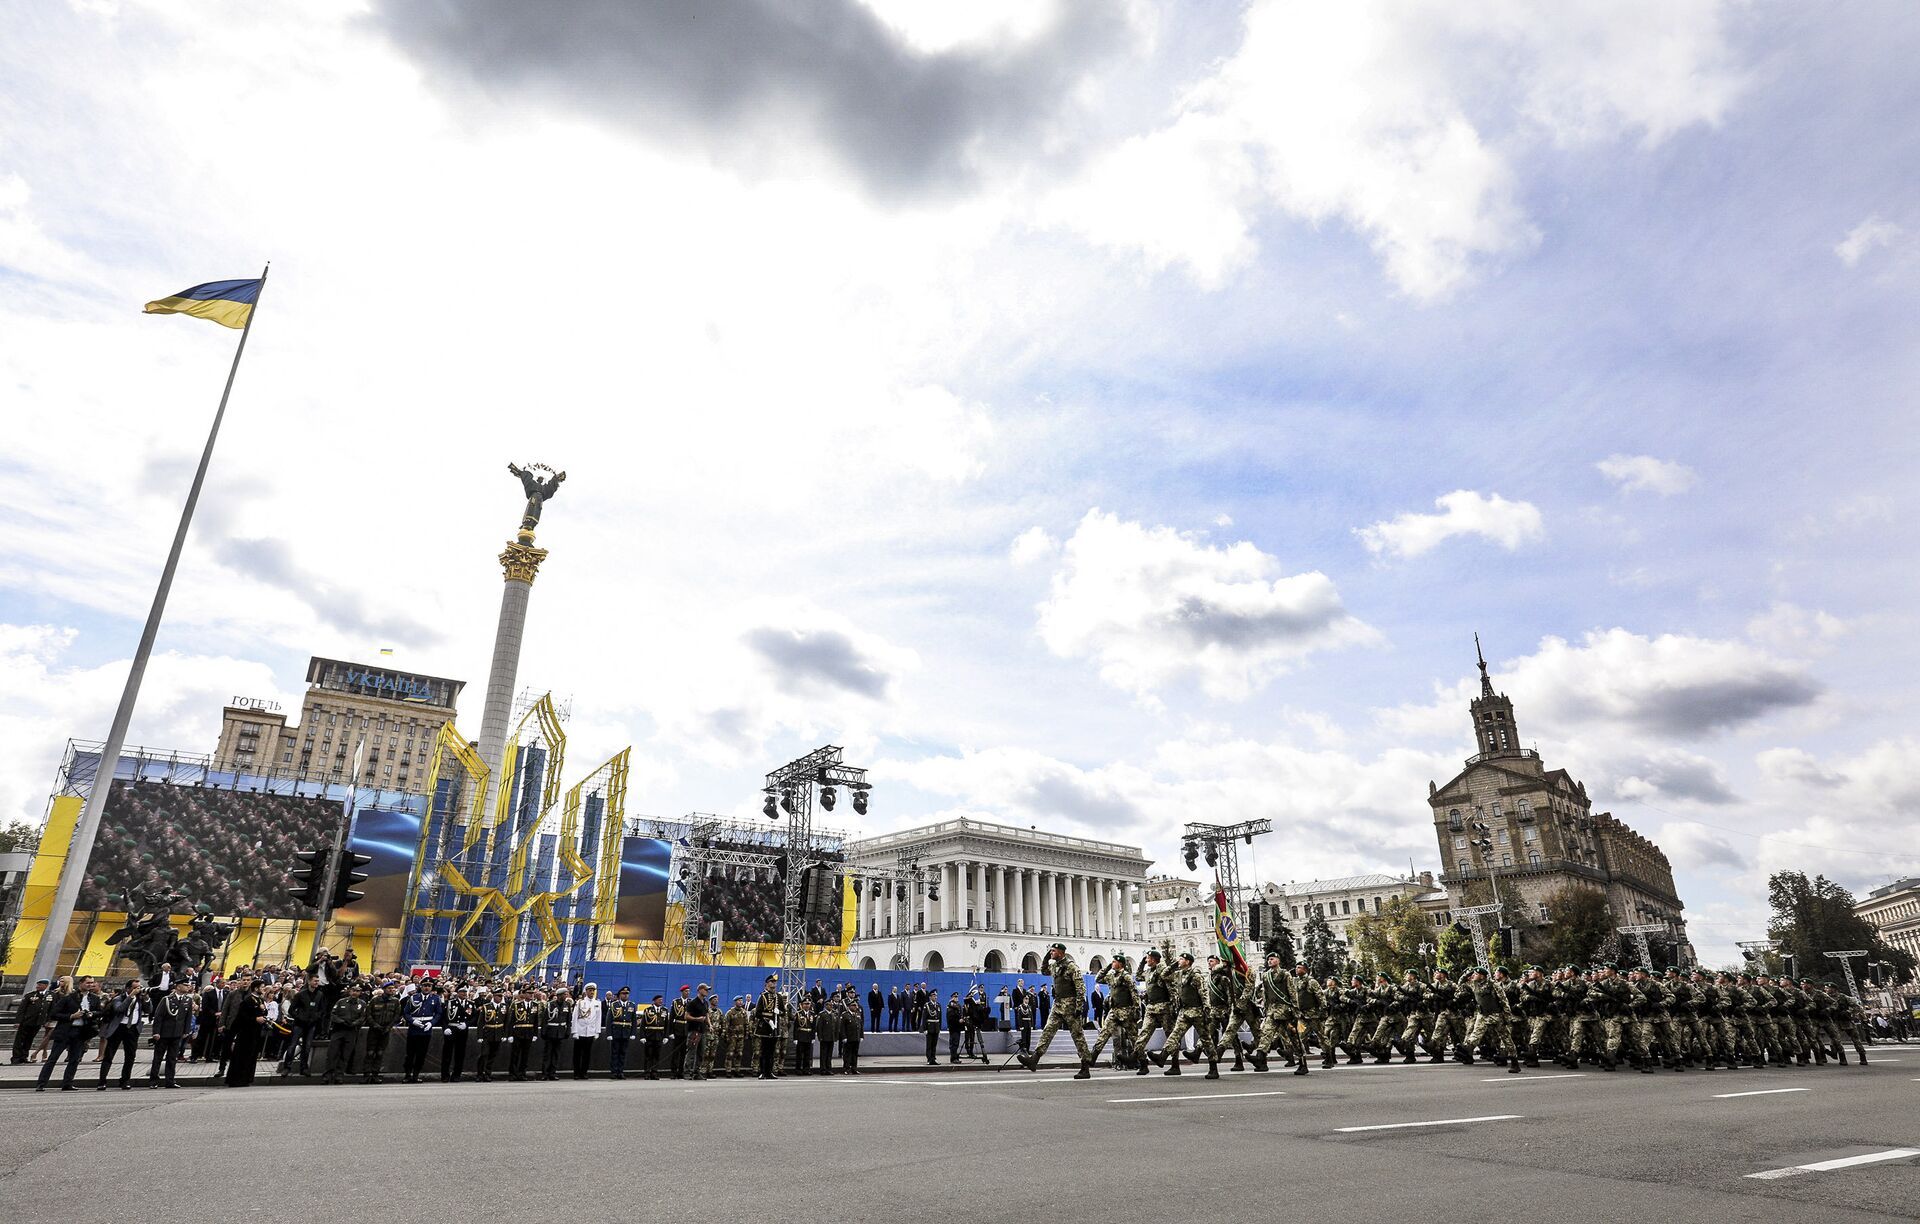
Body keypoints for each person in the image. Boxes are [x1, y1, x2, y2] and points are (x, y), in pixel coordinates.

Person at [1018, 944, 1095, 1079]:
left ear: (1060, 952)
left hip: (1070, 1005)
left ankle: (1085, 1067)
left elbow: (1081, 988)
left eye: (1053, 951)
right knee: (1048, 1030)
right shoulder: (1055, 966)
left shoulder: (1072, 967)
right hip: (1058, 1004)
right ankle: (1034, 1059)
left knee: (1077, 1036)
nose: (1051, 952)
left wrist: (1079, 1007)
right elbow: (1043, 971)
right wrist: (1047, 957)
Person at [37, 976, 102, 1092]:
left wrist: (91, 1014)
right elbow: (54, 1014)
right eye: (88, 983)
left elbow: (100, 1012)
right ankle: (41, 1083)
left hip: (81, 1032)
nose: (90, 985)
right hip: (66, 1031)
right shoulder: (69, 998)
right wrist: (71, 1016)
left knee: (74, 1059)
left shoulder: (95, 999)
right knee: (53, 1058)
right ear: (81, 983)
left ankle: (67, 1083)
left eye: (92, 983)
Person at [94, 980, 147, 1091]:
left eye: (139, 987)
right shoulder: (119, 998)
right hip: (118, 1028)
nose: (138, 990)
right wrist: (130, 997)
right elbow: (120, 1009)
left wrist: (146, 998)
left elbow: (149, 1009)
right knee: (109, 1055)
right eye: (135, 988)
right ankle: (102, 1081)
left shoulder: (140, 999)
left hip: (132, 1029)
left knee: (130, 1056)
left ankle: (125, 1080)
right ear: (128, 988)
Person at [148, 977, 196, 1088]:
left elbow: (188, 1017)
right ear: (178, 986)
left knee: (172, 1058)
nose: (188, 987)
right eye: (185, 985)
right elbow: (159, 1017)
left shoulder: (187, 1000)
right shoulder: (167, 999)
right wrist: (156, 1032)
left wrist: (186, 1031)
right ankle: (153, 1081)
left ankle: (170, 1080)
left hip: (177, 1033)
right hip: (164, 1033)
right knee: (158, 1058)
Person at [224, 981, 270, 1088]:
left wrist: (264, 1012)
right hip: (246, 1033)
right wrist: (255, 1019)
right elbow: (242, 1016)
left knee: (251, 1056)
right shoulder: (248, 1000)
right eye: (262, 987)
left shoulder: (260, 1000)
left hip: (255, 1032)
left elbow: (262, 1012)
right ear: (255, 988)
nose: (263, 990)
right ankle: (237, 1079)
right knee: (242, 1056)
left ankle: (246, 1078)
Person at [322, 985, 367, 1084]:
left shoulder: (362, 1004)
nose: (355, 993)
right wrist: (341, 1021)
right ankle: (327, 1076)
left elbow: (363, 1017)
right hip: (338, 1030)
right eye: (353, 990)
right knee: (332, 1054)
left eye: (358, 991)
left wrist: (354, 1023)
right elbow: (333, 1014)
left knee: (345, 1055)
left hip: (351, 1031)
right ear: (350, 991)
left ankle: (339, 1076)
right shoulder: (341, 1001)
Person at [401, 981, 443, 1083]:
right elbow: (406, 1012)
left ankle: (416, 1075)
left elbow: (438, 1013)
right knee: (410, 1054)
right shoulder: (414, 997)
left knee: (421, 1054)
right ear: (421, 987)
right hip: (414, 1029)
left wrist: (431, 1023)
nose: (427, 988)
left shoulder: (435, 999)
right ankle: (407, 1075)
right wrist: (412, 1021)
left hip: (426, 1030)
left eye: (429, 986)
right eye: (425, 986)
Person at [363, 980, 404, 1084]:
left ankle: (375, 1074)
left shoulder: (395, 1001)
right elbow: (368, 1014)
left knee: (380, 1053)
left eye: (393, 989)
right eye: (389, 989)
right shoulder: (375, 1000)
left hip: (386, 1030)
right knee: (370, 1052)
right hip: (374, 1029)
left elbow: (396, 1015)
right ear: (384, 989)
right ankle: (366, 1075)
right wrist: (375, 1025)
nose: (391, 990)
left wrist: (389, 1027)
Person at [12, 978, 53, 1064]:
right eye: (37, 984)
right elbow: (21, 1009)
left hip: (38, 1022)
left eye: (40, 985)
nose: (38, 986)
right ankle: (16, 1057)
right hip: (26, 1021)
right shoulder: (30, 995)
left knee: (29, 1040)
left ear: (46, 986)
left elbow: (50, 1009)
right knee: (19, 1040)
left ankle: (24, 1056)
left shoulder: (50, 996)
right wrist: (18, 1021)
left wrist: (48, 1020)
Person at [752, 977, 782, 1080]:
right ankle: (762, 1072)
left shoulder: (778, 997)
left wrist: (779, 1012)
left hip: (774, 1029)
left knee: (772, 1051)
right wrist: (768, 1020)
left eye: (774, 982)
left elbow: (783, 1011)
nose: (773, 984)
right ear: (767, 984)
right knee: (764, 1051)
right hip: (765, 1027)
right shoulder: (763, 997)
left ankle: (769, 1072)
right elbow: (758, 1013)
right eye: (771, 982)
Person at [540, 988, 572, 1082]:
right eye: (564, 994)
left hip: (560, 1032)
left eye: (566, 994)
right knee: (548, 1054)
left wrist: (567, 1031)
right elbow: (545, 1019)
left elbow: (568, 1020)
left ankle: (553, 1073)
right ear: (559, 995)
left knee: (556, 1054)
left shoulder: (567, 1005)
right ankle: (545, 1074)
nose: (566, 996)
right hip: (550, 1032)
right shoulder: (550, 1004)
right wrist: (543, 1031)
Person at [605, 987, 636, 1079]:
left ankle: (620, 1071)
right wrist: (609, 1033)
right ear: (619, 995)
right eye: (623, 993)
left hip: (626, 1032)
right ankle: (614, 1072)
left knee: (623, 1053)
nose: (625, 995)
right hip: (616, 1031)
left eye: (627, 994)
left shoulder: (632, 1005)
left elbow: (633, 1020)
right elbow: (609, 1019)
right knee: (615, 1053)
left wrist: (633, 1033)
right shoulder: (614, 1004)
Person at [684, 985, 711, 1080]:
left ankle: (697, 1072)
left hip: (702, 1030)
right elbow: (686, 1016)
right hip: (694, 1030)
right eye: (706, 989)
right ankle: (687, 1072)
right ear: (700, 990)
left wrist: (710, 1025)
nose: (707, 991)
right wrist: (696, 1019)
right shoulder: (693, 1003)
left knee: (701, 1052)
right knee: (691, 1051)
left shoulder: (705, 1003)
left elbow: (706, 1014)